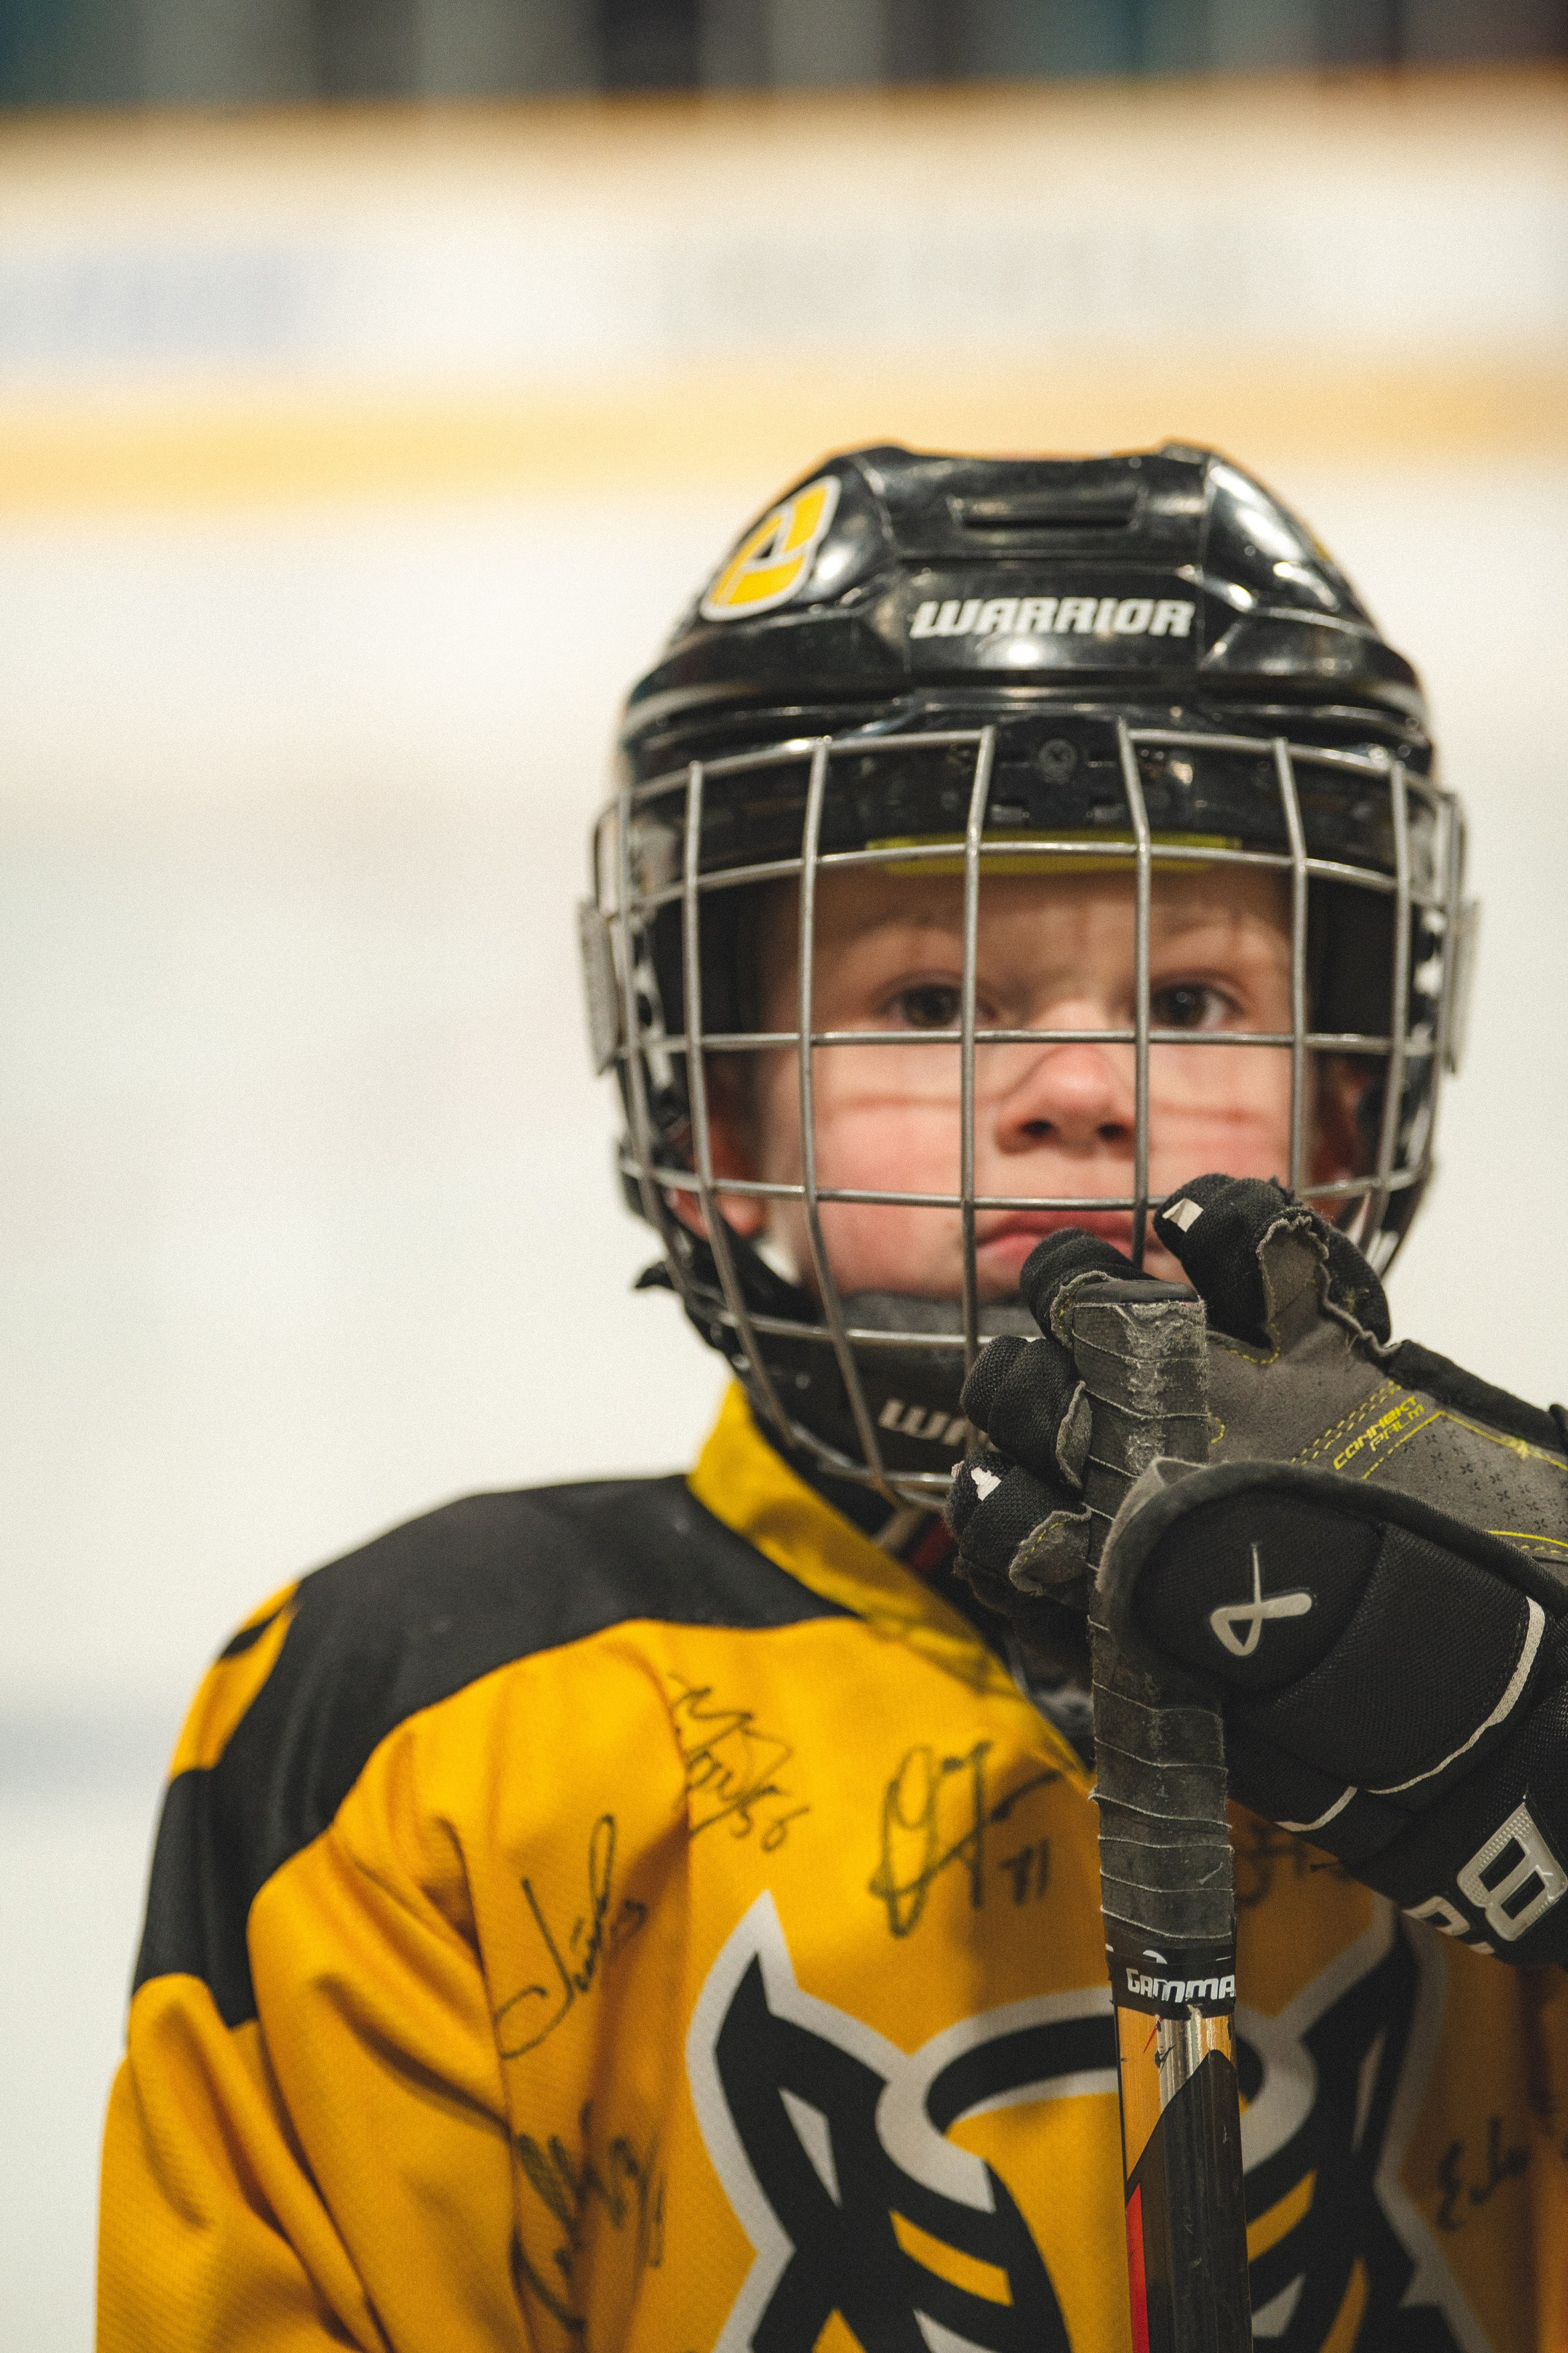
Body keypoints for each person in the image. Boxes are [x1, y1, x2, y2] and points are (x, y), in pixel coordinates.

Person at [100, 445, 1568, 2352]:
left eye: (1192, 1006)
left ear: (1354, 1094)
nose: (1079, 1091)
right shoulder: (425, 1722)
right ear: (716, 1120)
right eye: (931, 1002)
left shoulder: (1526, 1640)